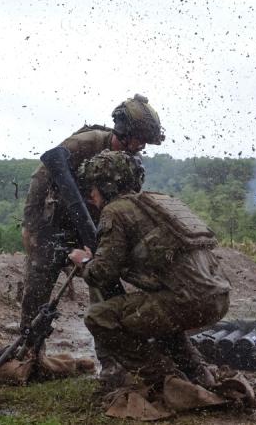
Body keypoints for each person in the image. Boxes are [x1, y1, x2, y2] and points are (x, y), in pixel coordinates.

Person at [20, 94, 164, 374]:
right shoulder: (88, 143)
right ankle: (30, 355)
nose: (139, 147)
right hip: (55, 224)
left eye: (144, 142)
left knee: (103, 288)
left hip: (96, 227)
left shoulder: (131, 162)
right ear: (122, 130)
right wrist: (31, 224)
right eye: (136, 139)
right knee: (37, 289)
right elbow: (43, 174)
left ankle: (111, 362)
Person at [67, 150, 230, 393]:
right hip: (217, 299)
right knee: (156, 317)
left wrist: (84, 262)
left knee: (99, 317)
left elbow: (102, 273)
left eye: (93, 186)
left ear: (106, 185)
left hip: (189, 301)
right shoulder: (157, 203)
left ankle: (166, 381)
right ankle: (198, 373)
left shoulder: (115, 210)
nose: (91, 194)